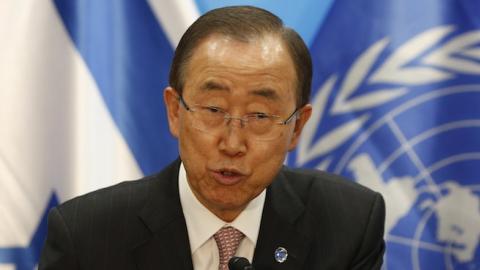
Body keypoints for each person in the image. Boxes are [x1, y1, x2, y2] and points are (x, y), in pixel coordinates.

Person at [39, 5, 385, 270]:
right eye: (214, 110)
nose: (233, 144)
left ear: (296, 126)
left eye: (260, 116)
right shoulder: (86, 237)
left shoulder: (349, 224)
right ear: (175, 111)